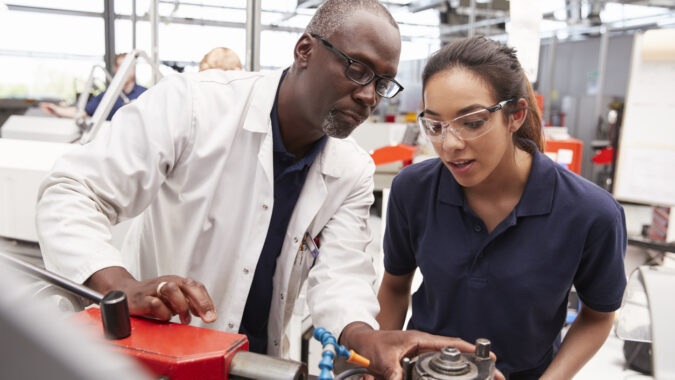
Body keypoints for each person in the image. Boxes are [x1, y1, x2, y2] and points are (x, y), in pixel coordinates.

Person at [36, 1, 476, 378]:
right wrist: (120, 287)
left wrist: (367, 338)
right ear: (304, 50)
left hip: (259, 363)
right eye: (357, 69)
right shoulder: (193, 106)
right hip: (156, 351)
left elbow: (340, 275)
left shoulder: (351, 170)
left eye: (382, 83)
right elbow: (72, 190)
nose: (368, 96)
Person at [375, 36, 627, 380]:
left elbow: (598, 317)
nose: (449, 144)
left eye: (472, 122)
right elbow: (394, 286)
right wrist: (382, 361)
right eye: (435, 125)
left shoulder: (591, 213)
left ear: (516, 115)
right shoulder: (413, 190)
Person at [39, 53, 146, 121]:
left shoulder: (145, 94)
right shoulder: (107, 96)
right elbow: (82, 112)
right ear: (115, 68)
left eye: (128, 66)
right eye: (121, 66)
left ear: (134, 68)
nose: (125, 70)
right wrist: (56, 109)